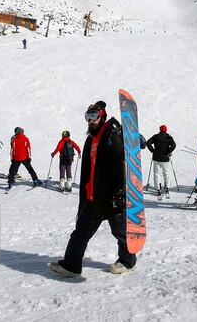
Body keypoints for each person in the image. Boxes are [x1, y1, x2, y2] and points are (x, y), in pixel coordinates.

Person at [49, 101, 136, 277]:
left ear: (102, 116)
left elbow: (123, 153)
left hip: (111, 194)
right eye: (88, 117)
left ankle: (127, 262)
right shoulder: (92, 138)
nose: (91, 121)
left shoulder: (112, 133)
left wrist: (134, 141)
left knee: (120, 232)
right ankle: (71, 265)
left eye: (94, 116)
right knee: (81, 231)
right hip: (92, 195)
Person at [146, 125, 177, 199]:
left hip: (156, 157)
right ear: (166, 130)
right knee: (166, 173)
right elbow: (174, 145)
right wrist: (168, 151)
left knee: (157, 173)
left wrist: (152, 150)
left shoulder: (156, 136)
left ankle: (158, 189)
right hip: (165, 157)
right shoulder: (168, 137)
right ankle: (167, 188)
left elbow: (148, 143)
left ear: (160, 130)